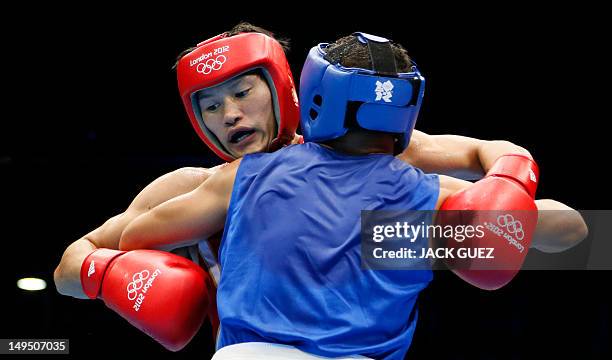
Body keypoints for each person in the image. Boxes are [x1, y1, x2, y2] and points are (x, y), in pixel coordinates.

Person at [53, 23, 587, 351]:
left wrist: (505, 197)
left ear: (282, 87)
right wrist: (105, 275)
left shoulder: (371, 159)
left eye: (242, 93)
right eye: (211, 106)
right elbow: (69, 267)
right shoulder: (194, 188)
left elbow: (577, 236)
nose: (230, 115)